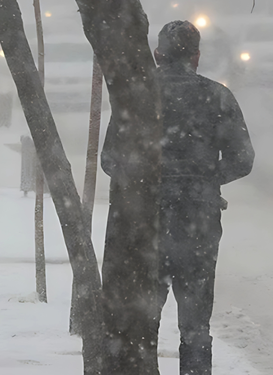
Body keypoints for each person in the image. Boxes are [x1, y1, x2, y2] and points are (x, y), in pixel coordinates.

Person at [102, 21, 254, 375]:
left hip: (146, 224)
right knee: (196, 326)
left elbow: (110, 159)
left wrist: (146, 182)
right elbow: (243, 159)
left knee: (143, 324)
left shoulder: (136, 98)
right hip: (198, 224)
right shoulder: (217, 97)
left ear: (157, 54)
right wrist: (203, 180)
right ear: (196, 56)